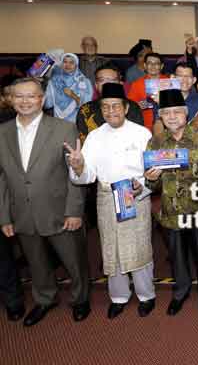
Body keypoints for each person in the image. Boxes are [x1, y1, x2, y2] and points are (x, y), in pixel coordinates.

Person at [0, 77, 89, 326]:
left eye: (32, 96)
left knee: (74, 260)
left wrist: (74, 211)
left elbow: (74, 172)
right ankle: (44, 299)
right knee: (35, 262)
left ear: (42, 99)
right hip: (22, 212)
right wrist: (4, 215)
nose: (25, 101)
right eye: (19, 96)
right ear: (10, 99)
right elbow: (2, 179)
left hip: (60, 211)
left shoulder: (64, 128)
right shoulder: (2, 132)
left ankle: (80, 299)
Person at [67, 82, 155, 319]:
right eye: (105, 107)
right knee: (111, 247)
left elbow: (153, 170)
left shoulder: (142, 133)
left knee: (139, 246)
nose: (111, 111)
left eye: (116, 106)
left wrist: (143, 185)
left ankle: (146, 295)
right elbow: (87, 176)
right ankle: (118, 296)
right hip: (106, 197)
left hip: (134, 196)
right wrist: (78, 166)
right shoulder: (94, 136)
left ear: (126, 108)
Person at [145, 89, 198, 316]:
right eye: (167, 113)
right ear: (161, 116)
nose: (173, 116)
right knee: (177, 259)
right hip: (171, 212)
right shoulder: (155, 143)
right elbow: (152, 187)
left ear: (186, 114)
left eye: (178, 112)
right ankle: (180, 292)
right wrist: (150, 180)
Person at [76, 63, 143, 143]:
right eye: (102, 80)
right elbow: (84, 142)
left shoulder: (132, 107)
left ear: (120, 83)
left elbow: (138, 138)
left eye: (112, 80)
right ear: (96, 85)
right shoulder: (85, 110)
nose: (107, 84)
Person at [44, 53, 93, 123]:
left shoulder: (84, 82)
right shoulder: (54, 81)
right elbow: (47, 104)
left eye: (71, 62)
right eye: (65, 62)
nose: (68, 65)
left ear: (76, 65)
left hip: (77, 121)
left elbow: (87, 106)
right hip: (58, 121)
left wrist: (74, 96)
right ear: (61, 64)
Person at [127, 52, 168, 131]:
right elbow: (130, 105)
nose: (153, 66)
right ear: (145, 66)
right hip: (143, 124)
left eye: (156, 63)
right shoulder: (136, 84)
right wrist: (138, 105)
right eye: (150, 63)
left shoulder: (169, 82)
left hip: (166, 122)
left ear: (161, 66)